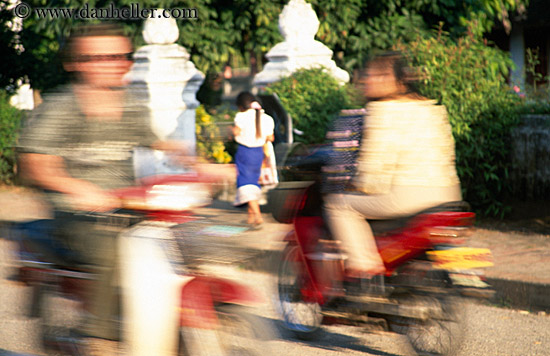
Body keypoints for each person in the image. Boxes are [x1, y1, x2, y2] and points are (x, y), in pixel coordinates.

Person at [17, 23, 188, 350]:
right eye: (99, 57)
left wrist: (194, 161)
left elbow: (156, 142)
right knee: (111, 249)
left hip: (131, 208)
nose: (113, 63)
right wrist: (78, 188)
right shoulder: (59, 107)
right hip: (78, 217)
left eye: (121, 56)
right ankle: (98, 338)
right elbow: (34, 163)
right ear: (75, 63)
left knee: (189, 239)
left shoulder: (132, 103)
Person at [324, 52, 461, 281]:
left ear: (398, 81)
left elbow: (374, 170)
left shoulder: (384, 109)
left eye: (379, 75)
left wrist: (354, 187)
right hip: (447, 195)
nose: (369, 81)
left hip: (406, 196)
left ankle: (363, 270)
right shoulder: (433, 108)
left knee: (338, 206)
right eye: (369, 75)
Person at [232, 91, 275, 227]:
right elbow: (271, 138)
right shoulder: (267, 118)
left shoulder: (241, 116)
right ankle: (250, 217)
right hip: (258, 153)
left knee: (245, 182)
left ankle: (257, 215)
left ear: (241, 105)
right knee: (253, 182)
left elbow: (237, 132)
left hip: (245, 152)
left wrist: (230, 131)